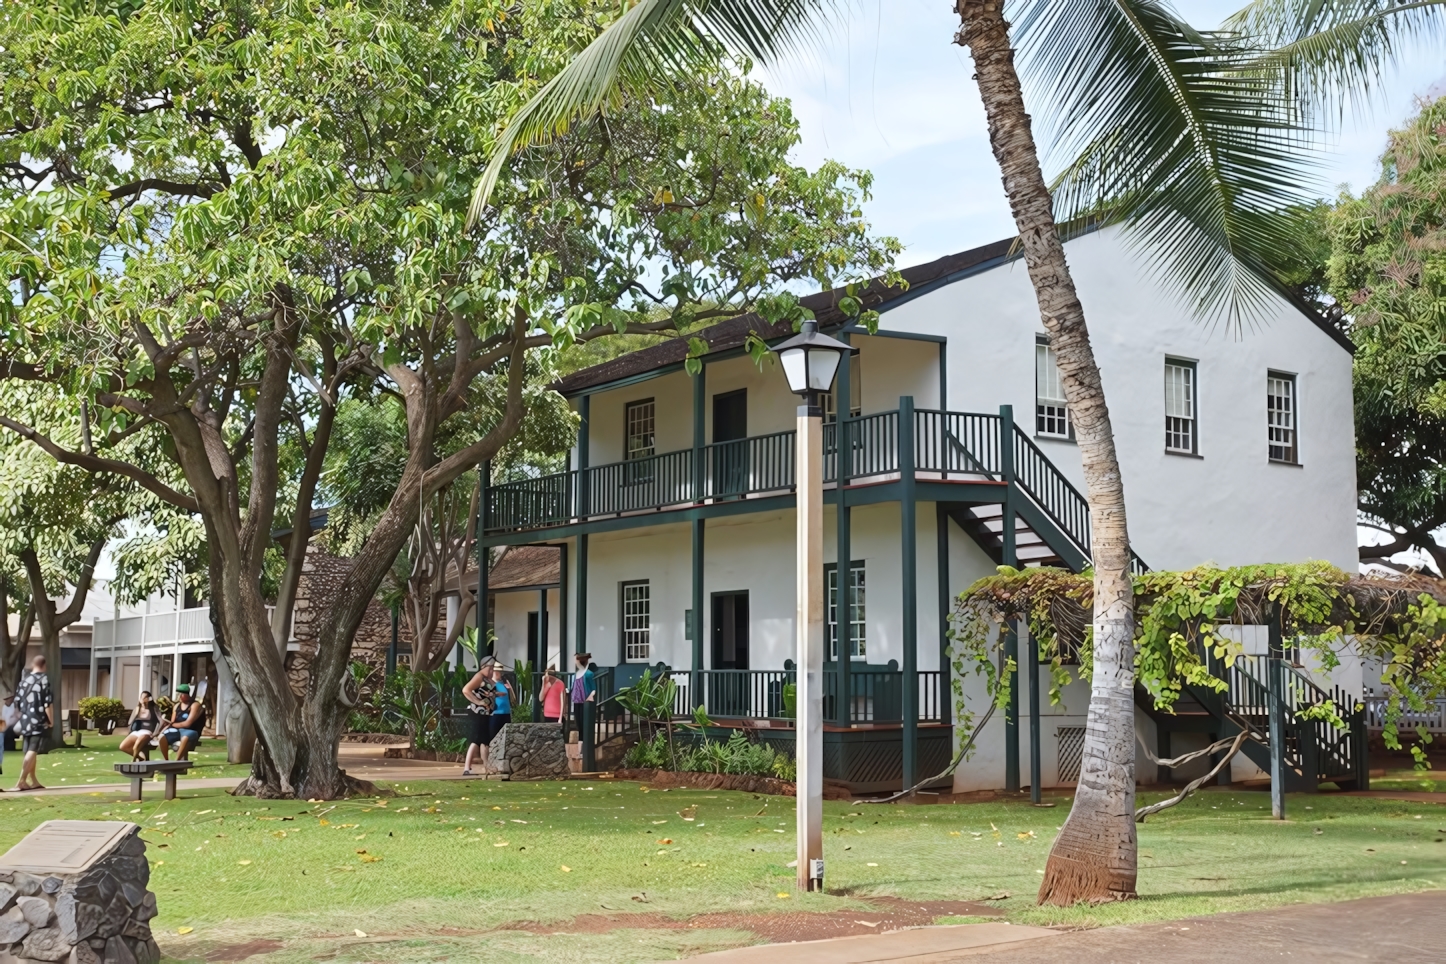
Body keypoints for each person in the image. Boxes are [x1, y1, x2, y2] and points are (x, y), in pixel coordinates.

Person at [13, 656, 53, 792]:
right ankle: (21, 780)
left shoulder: (24, 680)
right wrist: (51, 720)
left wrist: (21, 717)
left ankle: (33, 780)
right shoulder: (44, 679)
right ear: (44, 665)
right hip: (38, 720)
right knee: (33, 749)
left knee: (29, 751)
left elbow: (17, 702)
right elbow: (47, 702)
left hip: (25, 720)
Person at [460, 658, 497, 776]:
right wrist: (478, 702)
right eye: (490, 668)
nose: (492, 671)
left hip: (486, 713)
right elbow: (466, 690)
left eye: (492, 668)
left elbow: (486, 692)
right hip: (477, 713)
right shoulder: (479, 676)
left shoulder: (487, 679)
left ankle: (487, 767)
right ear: (483, 667)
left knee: (485, 740)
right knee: (476, 740)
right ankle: (467, 768)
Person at [158, 684, 206, 761]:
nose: (179, 696)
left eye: (182, 694)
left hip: (191, 731)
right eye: (178, 694)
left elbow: (188, 723)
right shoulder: (176, 706)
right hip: (177, 730)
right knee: (162, 737)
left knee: (185, 738)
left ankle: (177, 761)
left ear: (187, 694)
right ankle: (166, 760)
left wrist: (172, 724)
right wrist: (166, 725)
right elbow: (172, 721)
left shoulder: (195, 705)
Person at [119, 691, 162, 761]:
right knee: (123, 746)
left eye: (145, 697)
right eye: (141, 697)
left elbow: (161, 721)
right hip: (136, 731)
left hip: (147, 731)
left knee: (136, 746)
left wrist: (156, 733)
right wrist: (130, 730)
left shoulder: (154, 708)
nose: (143, 699)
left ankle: (133, 762)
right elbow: (130, 722)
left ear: (149, 699)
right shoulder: (137, 708)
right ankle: (141, 758)